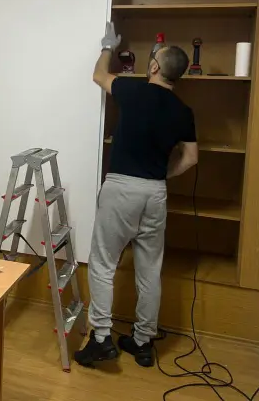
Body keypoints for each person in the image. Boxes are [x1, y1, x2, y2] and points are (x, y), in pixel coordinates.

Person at [75, 23, 198, 368]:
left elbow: (99, 75)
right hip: (155, 193)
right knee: (149, 270)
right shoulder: (183, 111)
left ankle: (101, 339)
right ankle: (142, 342)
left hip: (122, 189)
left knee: (103, 263)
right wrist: (163, 175)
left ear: (155, 66)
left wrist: (107, 47)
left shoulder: (132, 89)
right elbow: (190, 158)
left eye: (153, 57)